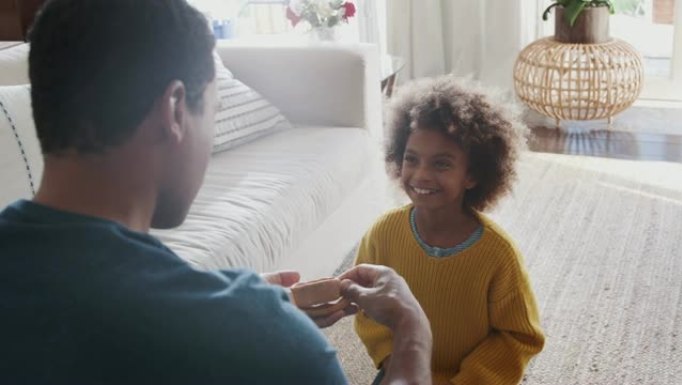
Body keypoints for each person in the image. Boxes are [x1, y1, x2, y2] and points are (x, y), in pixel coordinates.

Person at [0, 0, 432, 384]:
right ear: (174, 111)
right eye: (214, 109)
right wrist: (413, 334)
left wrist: (226, 312)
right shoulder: (273, 344)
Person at [354, 76, 546, 385]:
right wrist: (395, 361)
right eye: (411, 159)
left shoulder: (497, 254)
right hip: (401, 371)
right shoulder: (382, 234)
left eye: (441, 164)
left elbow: (519, 336)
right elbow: (366, 308)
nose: (421, 175)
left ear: (472, 174)